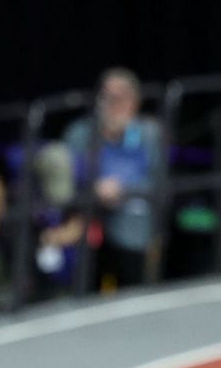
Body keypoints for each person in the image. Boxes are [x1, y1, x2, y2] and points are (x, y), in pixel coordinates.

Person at [62, 67, 165, 290]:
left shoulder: (148, 135)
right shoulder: (80, 133)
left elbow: (159, 184)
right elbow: (65, 182)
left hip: (131, 225)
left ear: (134, 102)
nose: (111, 104)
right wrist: (93, 188)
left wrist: (124, 190)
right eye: (106, 97)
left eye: (120, 98)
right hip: (86, 224)